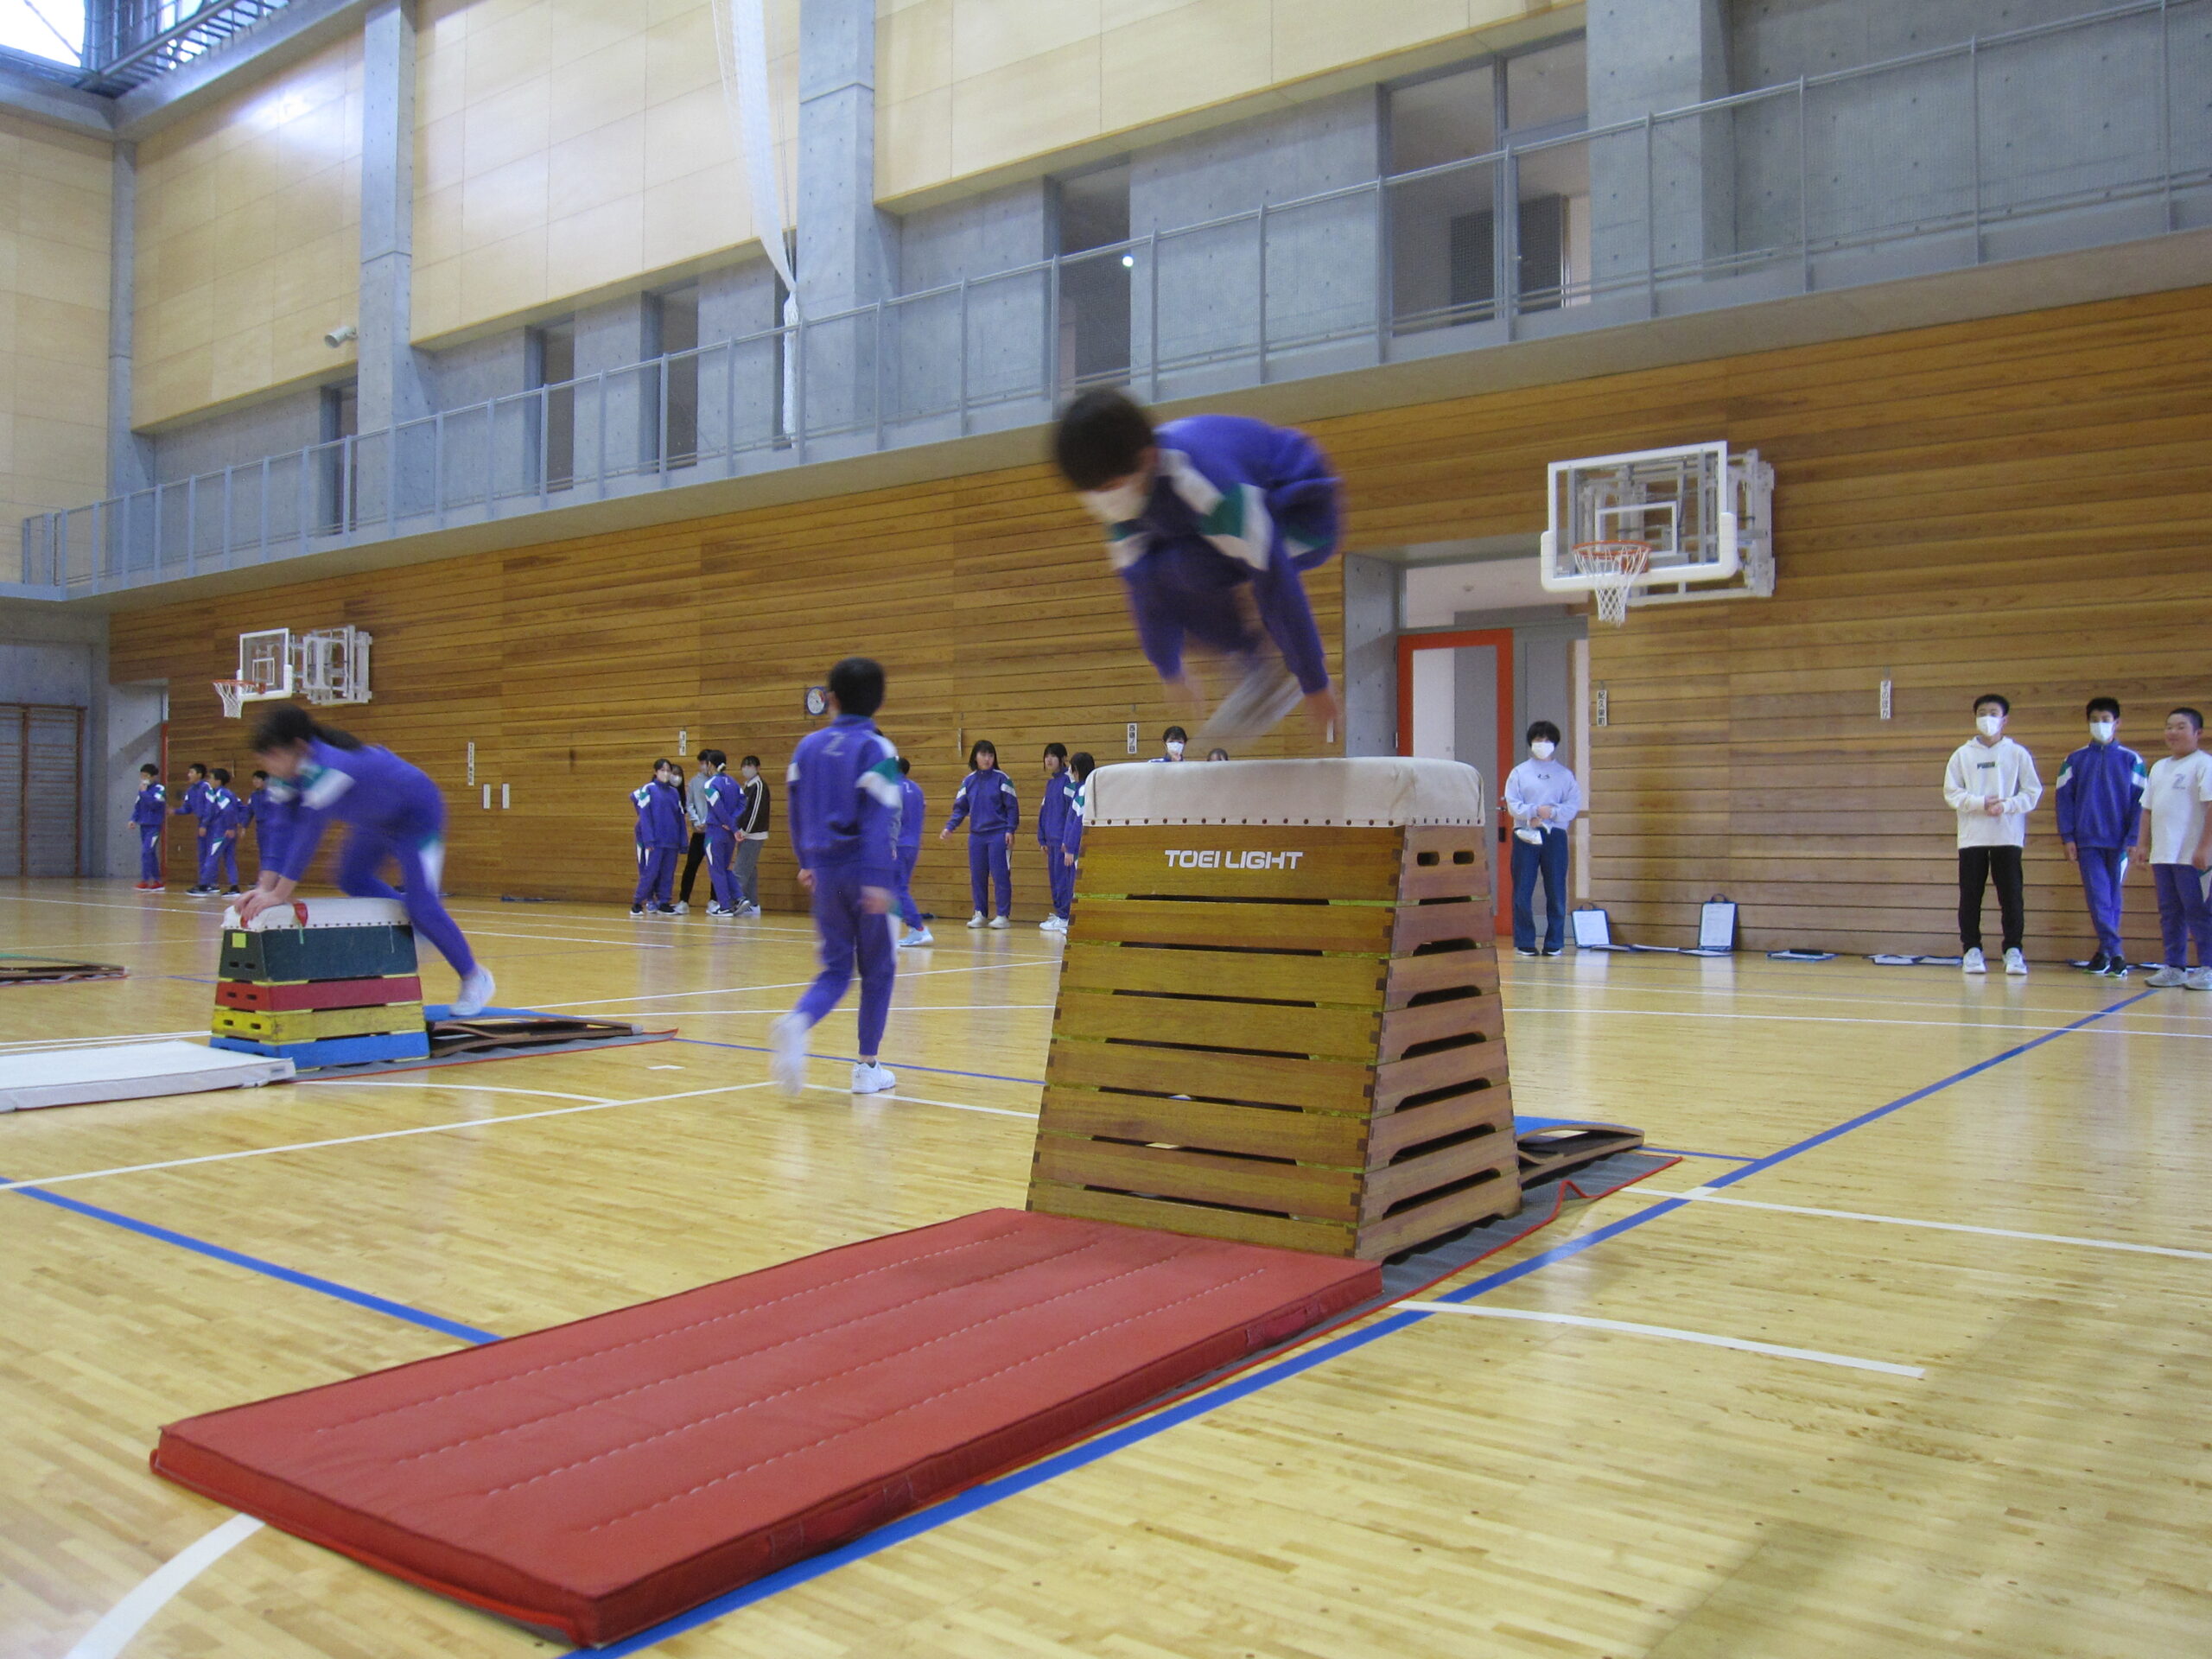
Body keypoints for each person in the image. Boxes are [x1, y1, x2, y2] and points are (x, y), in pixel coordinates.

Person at [1052, 389, 1343, 742]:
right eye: (1092, 492)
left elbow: (1275, 580)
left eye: (1109, 487)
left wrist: (1314, 681)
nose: (1103, 502)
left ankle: (1267, 671)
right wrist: (1169, 667)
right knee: (1162, 570)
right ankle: (1253, 661)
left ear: (1147, 457)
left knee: (1183, 567)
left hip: (1302, 510)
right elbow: (1143, 591)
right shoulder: (1125, 505)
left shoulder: (1203, 483)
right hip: (1223, 522)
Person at [237, 704, 495, 1017]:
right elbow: (280, 829)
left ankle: (474, 976)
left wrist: (278, 894)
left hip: (418, 816)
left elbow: (308, 833)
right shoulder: (286, 776)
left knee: (424, 904)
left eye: (272, 755)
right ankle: (415, 923)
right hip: (378, 822)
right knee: (350, 877)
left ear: (298, 748)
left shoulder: (330, 765)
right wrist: (263, 888)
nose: (266, 764)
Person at [769, 657, 903, 1096]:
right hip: (866, 870)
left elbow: (794, 808)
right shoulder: (877, 749)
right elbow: (879, 819)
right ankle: (867, 1067)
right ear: (879, 701)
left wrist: (806, 859)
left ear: (830, 699)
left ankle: (798, 1021)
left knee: (835, 969)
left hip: (825, 874)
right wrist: (879, 881)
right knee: (879, 969)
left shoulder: (806, 748)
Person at [1943, 693, 2044, 976]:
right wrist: (1978, 803)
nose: (1988, 718)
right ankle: (1971, 950)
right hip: (1972, 837)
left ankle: (2013, 950)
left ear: (2005, 719)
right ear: (1975, 717)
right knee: (1970, 895)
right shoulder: (1962, 755)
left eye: (1994, 713)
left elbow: (2032, 792)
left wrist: (2008, 805)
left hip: (2007, 837)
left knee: (2011, 896)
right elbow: (1951, 792)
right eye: (1982, 712)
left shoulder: (2017, 753)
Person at [2055, 696, 2146, 976]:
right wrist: (2068, 837)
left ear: (2117, 723)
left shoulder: (2132, 760)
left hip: (2118, 843)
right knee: (2098, 897)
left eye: (2106, 720)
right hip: (2087, 842)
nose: (2100, 725)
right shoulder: (2073, 760)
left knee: (2112, 899)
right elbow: (2064, 801)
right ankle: (2116, 952)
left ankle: (2105, 953)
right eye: (2095, 720)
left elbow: (2140, 803)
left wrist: (2133, 839)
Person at [2139, 707, 2212, 989]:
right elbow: (2146, 810)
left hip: (2193, 856)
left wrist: (2205, 847)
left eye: (2181, 727)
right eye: (2169, 726)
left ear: (2198, 733)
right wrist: (2142, 844)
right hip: (2164, 854)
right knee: (2170, 911)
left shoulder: (2204, 764)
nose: (2173, 732)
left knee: (2200, 911)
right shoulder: (2159, 767)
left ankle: (2207, 967)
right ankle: (2174, 966)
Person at [1503, 721, 1580, 958]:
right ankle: (1525, 940)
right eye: (1538, 740)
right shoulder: (1519, 772)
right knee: (1522, 889)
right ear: (1531, 742)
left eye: (1547, 740)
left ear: (1554, 743)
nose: (1542, 744)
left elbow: (1572, 806)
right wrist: (1534, 812)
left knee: (1556, 890)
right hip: (1525, 834)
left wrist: (1550, 813)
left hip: (1554, 836)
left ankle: (1554, 941)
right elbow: (1513, 804)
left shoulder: (1565, 775)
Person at [941, 738, 1018, 928]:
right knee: (977, 876)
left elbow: (1012, 808)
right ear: (975, 757)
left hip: (998, 834)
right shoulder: (968, 781)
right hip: (976, 836)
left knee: (1000, 875)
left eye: (990, 755)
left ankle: (1002, 915)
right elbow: (960, 808)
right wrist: (950, 826)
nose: (987, 758)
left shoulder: (1003, 778)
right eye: (983, 754)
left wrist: (1010, 829)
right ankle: (980, 913)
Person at [629, 759, 686, 918]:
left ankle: (664, 902)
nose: (666, 773)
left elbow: (680, 818)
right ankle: (638, 902)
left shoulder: (674, 793)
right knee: (650, 872)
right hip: (655, 841)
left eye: (668, 770)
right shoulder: (648, 790)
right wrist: (648, 839)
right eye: (663, 770)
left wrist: (683, 841)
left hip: (671, 841)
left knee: (668, 873)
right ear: (656, 772)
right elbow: (644, 815)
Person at [893, 755, 932, 947]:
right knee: (898, 889)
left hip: (897, 844)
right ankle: (911, 928)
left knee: (897, 889)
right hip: (913, 844)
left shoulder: (893, 790)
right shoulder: (916, 789)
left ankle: (918, 928)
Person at [699, 749, 742, 918]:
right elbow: (742, 803)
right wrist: (733, 824)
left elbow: (718, 808)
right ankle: (739, 897)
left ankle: (724, 906)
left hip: (716, 831)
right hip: (729, 835)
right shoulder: (733, 782)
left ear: (710, 764)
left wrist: (730, 824)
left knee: (716, 870)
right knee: (724, 868)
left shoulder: (710, 784)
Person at [1037, 743, 1076, 933]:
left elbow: (1072, 812)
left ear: (1062, 758)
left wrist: (1067, 840)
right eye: (1047, 756)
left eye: (1053, 756)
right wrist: (1042, 838)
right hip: (1051, 841)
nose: (1049, 760)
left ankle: (1065, 915)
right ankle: (1059, 913)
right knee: (1054, 879)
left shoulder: (1068, 781)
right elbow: (1044, 812)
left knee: (1063, 880)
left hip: (1062, 842)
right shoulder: (1051, 784)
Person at [189, 767, 243, 897]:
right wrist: (236, 825)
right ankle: (234, 886)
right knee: (229, 858)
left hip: (222, 831)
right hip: (229, 830)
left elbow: (228, 810)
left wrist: (229, 827)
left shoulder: (220, 794)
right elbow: (240, 807)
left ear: (218, 781)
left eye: (211, 778)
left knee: (212, 857)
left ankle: (203, 885)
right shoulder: (229, 793)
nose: (209, 781)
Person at [676, 749, 716, 913]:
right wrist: (696, 822)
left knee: (715, 867)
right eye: (701, 763)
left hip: (714, 832)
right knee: (691, 866)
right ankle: (683, 900)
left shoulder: (718, 781)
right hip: (699, 833)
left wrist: (709, 822)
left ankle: (714, 901)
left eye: (705, 763)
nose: (703, 766)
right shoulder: (694, 782)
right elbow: (689, 803)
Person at [729, 753, 770, 916]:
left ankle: (732, 904)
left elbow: (755, 813)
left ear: (758, 768)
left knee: (739, 871)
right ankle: (752, 904)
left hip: (753, 835)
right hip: (745, 834)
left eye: (750, 765)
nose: (747, 768)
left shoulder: (759, 786)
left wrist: (744, 831)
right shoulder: (746, 786)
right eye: (744, 765)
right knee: (750, 870)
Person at [1060, 751, 1096, 927]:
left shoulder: (1083, 790)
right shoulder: (1086, 789)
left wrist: (1071, 849)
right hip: (1075, 846)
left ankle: (1075, 924)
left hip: (1078, 850)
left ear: (1076, 771)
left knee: (1075, 886)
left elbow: (1079, 822)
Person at [174, 762, 213, 893]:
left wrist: (204, 824)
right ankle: (204, 882)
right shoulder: (191, 790)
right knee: (202, 854)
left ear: (199, 775)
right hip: (201, 823)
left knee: (210, 854)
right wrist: (174, 811)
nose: (188, 775)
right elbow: (187, 808)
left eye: (191, 772)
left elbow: (210, 807)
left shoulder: (207, 787)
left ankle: (208, 883)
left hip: (211, 824)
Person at [130, 763, 166, 890]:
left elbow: (154, 804)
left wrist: (144, 793)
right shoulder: (142, 790)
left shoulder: (160, 789)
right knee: (150, 853)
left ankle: (145, 880)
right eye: (142, 776)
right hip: (143, 825)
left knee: (146, 852)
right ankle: (157, 881)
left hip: (154, 826)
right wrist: (133, 819)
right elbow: (138, 807)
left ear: (153, 777)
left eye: (146, 776)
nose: (143, 778)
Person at [245, 768, 285, 880]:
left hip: (272, 827)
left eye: (258, 780)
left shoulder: (272, 794)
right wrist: (243, 825)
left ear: (265, 781)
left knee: (273, 853)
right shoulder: (253, 795)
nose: (255, 782)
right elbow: (249, 811)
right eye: (254, 780)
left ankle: (277, 879)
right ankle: (264, 880)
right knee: (263, 854)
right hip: (261, 828)